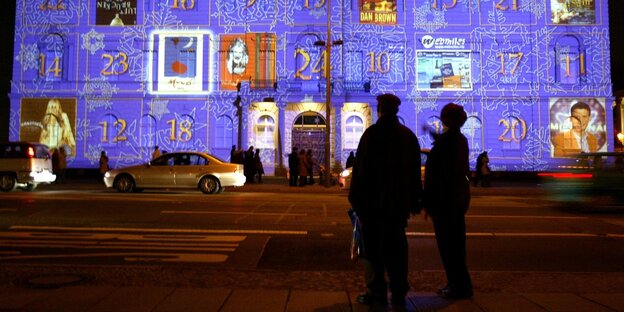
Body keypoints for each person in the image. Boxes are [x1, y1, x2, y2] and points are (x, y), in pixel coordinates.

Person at [348, 94, 423, 307]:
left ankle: (376, 293)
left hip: (372, 208)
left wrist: (356, 201)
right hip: (398, 208)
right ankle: (399, 293)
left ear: (379, 110)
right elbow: (414, 173)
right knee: (397, 250)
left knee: (373, 252)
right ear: (396, 110)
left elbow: (360, 172)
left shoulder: (371, 135)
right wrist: (416, 200)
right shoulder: (408, 136)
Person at [422, 103, 473, 300]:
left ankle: (457, 286)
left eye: (444, 116)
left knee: (449, 247)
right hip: (456, 200)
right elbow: (443, 143)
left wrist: (428, 201)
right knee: (456, 246)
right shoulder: (458, 139)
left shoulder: (448, 142)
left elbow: (438, 175)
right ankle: (461, 284)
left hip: (445, 202)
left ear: (448, 119)